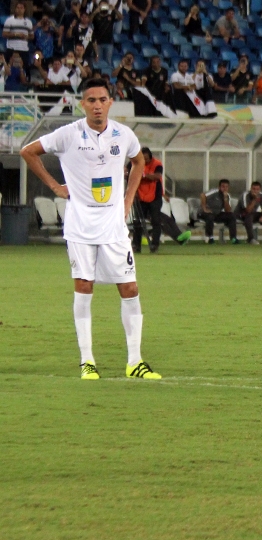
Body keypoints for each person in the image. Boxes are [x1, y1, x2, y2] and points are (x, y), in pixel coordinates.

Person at [20, 77, 162, 380]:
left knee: (130, 288)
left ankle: (134, 362)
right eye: (91, 100)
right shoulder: (68, 135)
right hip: (80, 226)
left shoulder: (123, 135)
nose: (97, 105)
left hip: (113, 226)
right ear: (82, 104)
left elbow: (138, 163)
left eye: (102, 99)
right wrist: (55, 186)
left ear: (111, 102)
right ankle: (87, 362)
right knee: (84, 288)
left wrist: (127, 200)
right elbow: (28, 152)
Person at [200, 179, 239, 244]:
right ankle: (210, 238)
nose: (225, 188)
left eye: (226, 187)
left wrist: (225, 199)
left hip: (216, 214)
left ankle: (233, 238)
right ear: (219, 187)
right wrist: (204, 208)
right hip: (205, 213)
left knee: (231, 216)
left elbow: (228, 210)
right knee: (210, 217)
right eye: (223, 186)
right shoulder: (214, 192)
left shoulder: (227, 196)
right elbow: (202, 195)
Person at [3, 2, 34, 69]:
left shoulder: (29, 22)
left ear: (24, 9)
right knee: (7, 68)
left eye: (21, 8)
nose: (19, 9)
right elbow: (4, 34)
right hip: (11, 48)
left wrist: (26, 37)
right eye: (18, 8)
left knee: (25, 69)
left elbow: (32, 36)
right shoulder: (9, 20)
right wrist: (16, 34)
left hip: (24, 49)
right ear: (15, 9)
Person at [92, 1, 119, 66]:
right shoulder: (96, 16)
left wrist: (114, 9)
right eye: (102, 6)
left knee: (108, 62)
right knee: (98, 62)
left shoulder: (111, 16)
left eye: (105, 5)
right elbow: (89, 21)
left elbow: (121, 17)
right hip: (98, 43)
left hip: (109, 42)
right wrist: (96, 11)